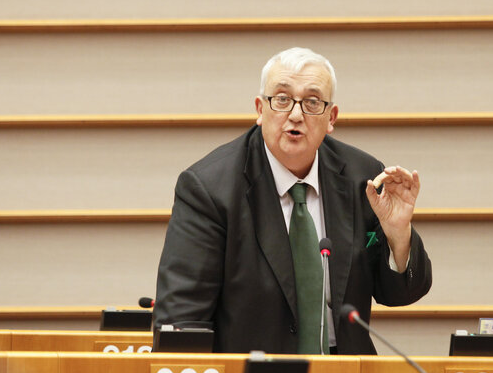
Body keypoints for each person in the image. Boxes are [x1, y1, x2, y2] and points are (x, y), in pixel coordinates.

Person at [153, 47, 432, 354]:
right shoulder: (209, 189)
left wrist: (398, 234)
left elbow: (400, 294)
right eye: (282, 99)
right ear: (260, 109)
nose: (296, 115)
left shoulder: (361, 178)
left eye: (312, 102)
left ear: (331, 118)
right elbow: (182, 318)